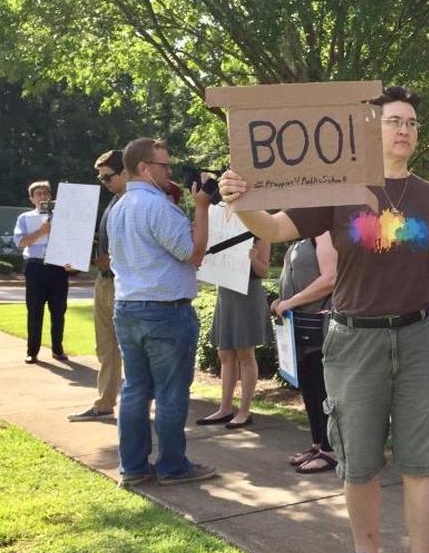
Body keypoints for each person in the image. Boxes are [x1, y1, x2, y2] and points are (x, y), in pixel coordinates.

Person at [218, 86, 429, 553]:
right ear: (370, 130)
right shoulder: (338, 187)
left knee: (423, 464)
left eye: (410, 123)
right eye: (392, 122)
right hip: (355, 340)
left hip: (422, 338)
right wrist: (239, 199)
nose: (403, 130)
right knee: (357, 461)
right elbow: (274, 227)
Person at [107, 137, 218, 487]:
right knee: (171, 392)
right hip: (165, 311)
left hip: (127, 307)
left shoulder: (118, 207)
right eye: (164, 166)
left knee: (135, 389)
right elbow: (193, 253)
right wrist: (201, 207)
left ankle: (134, 467)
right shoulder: (157, 207)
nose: (169, 172)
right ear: (144, 167)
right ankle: (172, 466)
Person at [69, 150, 128, 421]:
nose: (103, 183)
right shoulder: (114, 200)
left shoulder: (134, 202)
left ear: (126, 172)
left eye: (107, 177)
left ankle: (134, 405)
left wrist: (105, 261)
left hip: (123, 286)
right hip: (104, 282)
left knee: (128, 348)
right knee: (105, 347)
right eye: (101, 178)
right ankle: (104, 403)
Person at [273, 233, 339, 474]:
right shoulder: (303, 235)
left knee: (323, 388)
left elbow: (330, 278)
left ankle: (331, 450)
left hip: (320, 326)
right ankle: (318, 444)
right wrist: (281, 301)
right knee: (310, 387)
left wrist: (290, 302)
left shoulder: (324, 233)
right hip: (300, 326)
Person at [196, 239, 274, 429]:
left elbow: (263, 271)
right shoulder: (223, 230)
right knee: (225, 352)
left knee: (245, 352)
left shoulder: (260, 232)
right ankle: (225, 408)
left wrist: (253, 259)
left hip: (248, 293)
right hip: (226, 293)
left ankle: (245, 411)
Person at [13, 180, 69, 364]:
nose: (43, 196)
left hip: (58, 268)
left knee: (59, 311)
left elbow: (72, 241)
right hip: (36, 268)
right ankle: (32, 351)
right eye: (39, 193)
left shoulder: (62, 217)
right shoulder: (25, 218)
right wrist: (41, 231)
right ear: (32, 198)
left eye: (46, 193)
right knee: (35, 311)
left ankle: (58, 350)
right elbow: (20, 243)